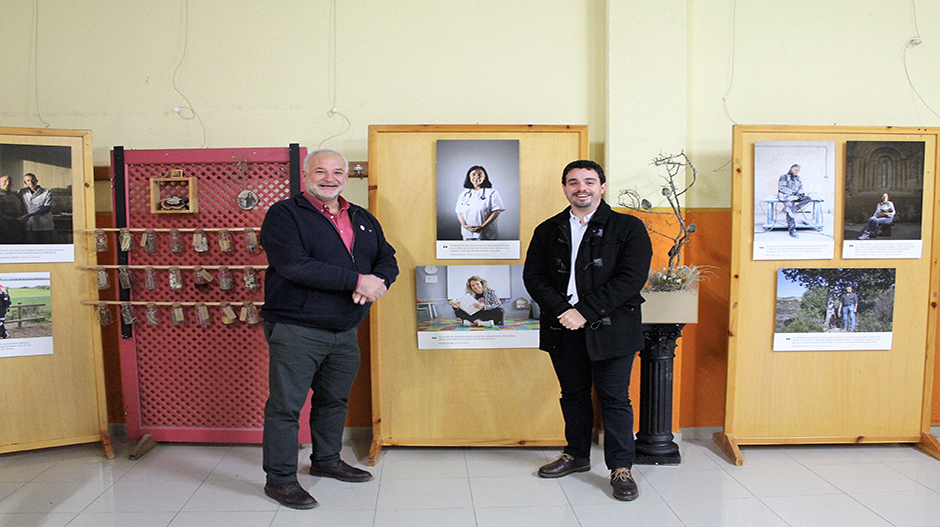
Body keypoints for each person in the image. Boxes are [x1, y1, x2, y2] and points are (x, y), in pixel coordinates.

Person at [259, 148, 398, 510]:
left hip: (345, 329)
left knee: (333, 399)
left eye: (338, 172)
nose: (329, 178)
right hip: (296, 327)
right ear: (306, 175)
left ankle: (326, 460)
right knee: (286, 407)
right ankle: (280, 480)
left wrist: (377, 280)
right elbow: (294, 265)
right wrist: (356, 280)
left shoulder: (362, 217)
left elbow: (387, 258)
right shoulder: (284, 215)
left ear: (347, 176)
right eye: (321, 171)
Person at [523, 159, 652, 502]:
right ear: (564, 188)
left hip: (613, 328)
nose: (582, 188)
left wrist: (585, 311)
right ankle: (577, 455)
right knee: (574, 395)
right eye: (574, 182)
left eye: (589, 181)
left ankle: (621, 468)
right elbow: (533, 278)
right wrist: (565, 311)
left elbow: (631, 278)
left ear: (602, 187)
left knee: (614, 398)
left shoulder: (628, 228)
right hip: (562, 326)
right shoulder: (547, 229)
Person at [455, 165, 505, 240]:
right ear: (469, 177)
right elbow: (459, 212)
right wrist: (465, 225)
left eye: (480, 174)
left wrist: (482, 226)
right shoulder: (464, 194)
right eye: (473, 174)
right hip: (468, 233)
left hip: (486, 233)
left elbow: (496, 211)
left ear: (484, 177)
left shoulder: (492, 192)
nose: (476, 177)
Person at [777, 164, 813, 238]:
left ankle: (792, 209)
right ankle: (792, 230)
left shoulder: (798, 178)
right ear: (791, 169)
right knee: (790, 207)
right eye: (796, 170)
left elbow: (801, 187)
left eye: (798, 171)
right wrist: (793, 193)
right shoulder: (784, 177)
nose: (797, 172)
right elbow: (782, 188)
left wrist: (800, 193)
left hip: (795, 196)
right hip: (786, 196)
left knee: (808, 198)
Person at [17, 173, 55, 244]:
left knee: (46, 247)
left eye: (32, 180)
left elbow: (46, 208)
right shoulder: (21, 192)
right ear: (25, 182)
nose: (30, 182)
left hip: (44, 225)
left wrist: (28, 215)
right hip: (29, 225)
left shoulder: (46, 192)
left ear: (36, 181)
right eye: (28, 181)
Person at [0, 175, 26, 244]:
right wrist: (14, 219)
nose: (7, 183)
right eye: (5, 181)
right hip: (3, 227)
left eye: (9, 181)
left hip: (17, 226)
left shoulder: (16, 195)